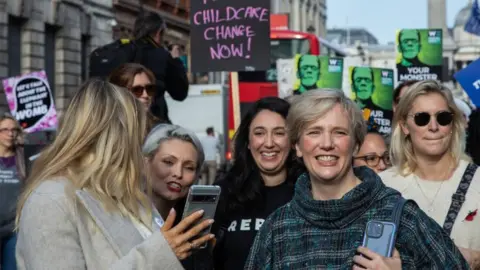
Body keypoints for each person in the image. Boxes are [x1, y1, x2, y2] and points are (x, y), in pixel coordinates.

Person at [245, 89, 468, 269]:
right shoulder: (277, 228)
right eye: (314, 132)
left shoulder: (401, 217)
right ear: (297, 146)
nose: (326, 143)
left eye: (339, 132)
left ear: (356, 145)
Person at [14, 79, 212, 269]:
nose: (140, 144)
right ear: (116, 137)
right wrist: (161, 255)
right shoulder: (51, 200)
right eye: (138, 134)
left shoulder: (126, 196)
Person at [380, 80, 480, 268]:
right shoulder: (384, 186)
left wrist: (474, 259)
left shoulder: (477, 181)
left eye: (443, 118)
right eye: (421, 118)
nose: (433, 127)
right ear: (404, 126)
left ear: (452, 123)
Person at [212, 97, 303, 270]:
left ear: (292, 141)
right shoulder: (224, 193)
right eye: (259, 133)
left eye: (279, 133)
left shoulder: (308, 192)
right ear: (247, 142)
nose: (269, 143)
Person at [142, 123, 214, 270]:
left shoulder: (195, 230)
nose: (178, 173)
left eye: (189, 167)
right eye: (168, 162)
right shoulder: (122, 219)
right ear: (145, 163)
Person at [133, 12, 189, 123]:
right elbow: (180, 93)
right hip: (153, 121)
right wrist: (176, 61)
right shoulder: (162, 56)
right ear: (159, 33)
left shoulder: (124, 51)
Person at [108, 63, 166, 130]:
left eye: (150, 88)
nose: (146, 95)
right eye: (137, 90)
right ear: (119, 93)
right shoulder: (107, 129)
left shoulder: (160, 130)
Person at [0, 114, 24, 270]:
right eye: (5, 129)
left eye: (14, 130)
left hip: (14, 229)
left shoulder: (24, 159)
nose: (10, 133)